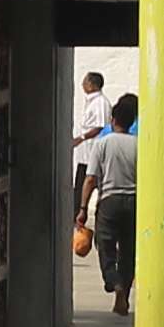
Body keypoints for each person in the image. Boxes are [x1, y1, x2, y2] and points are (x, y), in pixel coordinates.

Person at [87, 93, 144, 315]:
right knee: (128, 251)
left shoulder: (102, 143)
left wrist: (83, 208)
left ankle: (114, 280)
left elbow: (91, 178)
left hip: (109, 201)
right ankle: (124, 294)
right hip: (133, 201)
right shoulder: (139, 144)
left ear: (113, 119)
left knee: (104, 245)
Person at [68, 66, 111, 246]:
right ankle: (76, 226)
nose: (82, 84)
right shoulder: (91, 102)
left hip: (93, 155)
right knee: (78, 190)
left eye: (85, 81)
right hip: (84, 155)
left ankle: (82, 224)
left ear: (92, 85)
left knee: (88, 188)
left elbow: (100, 126)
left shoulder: (100, 102)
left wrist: (82, 138)